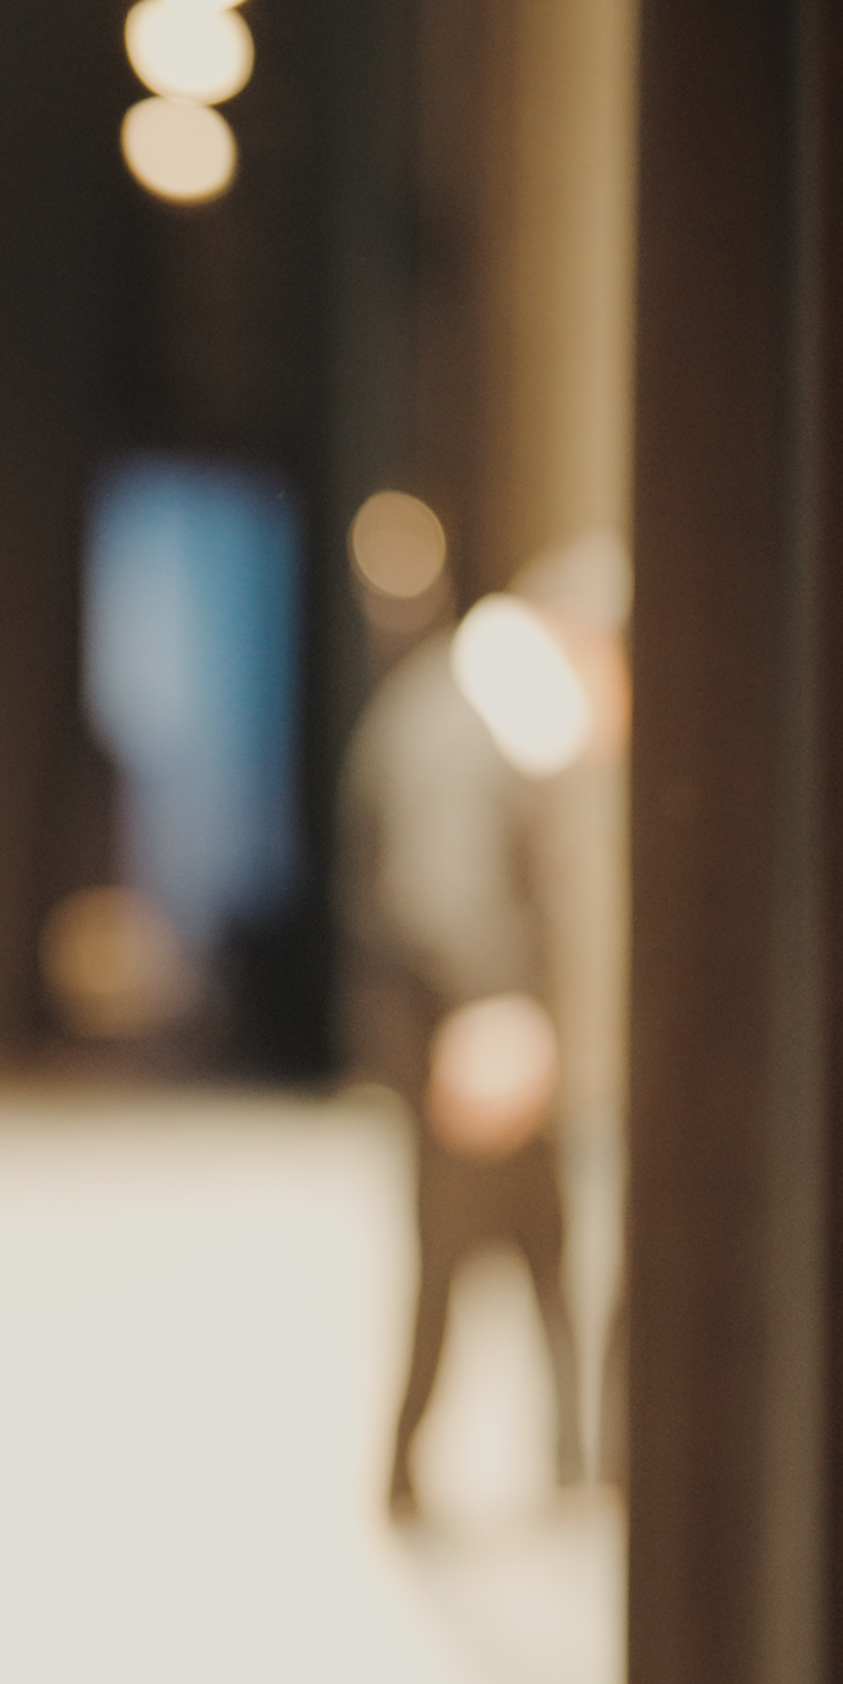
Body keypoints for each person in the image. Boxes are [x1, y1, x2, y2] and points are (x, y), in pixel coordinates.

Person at [346, 533, 628, 1521]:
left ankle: (569, 1460)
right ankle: (409, 1472)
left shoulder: (465, 706)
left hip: (469, 1048)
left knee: (533, 1254)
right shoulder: (463, 727)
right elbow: (441, 884)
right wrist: (493, 1010)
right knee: (456, 1266)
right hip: (462, 1054)